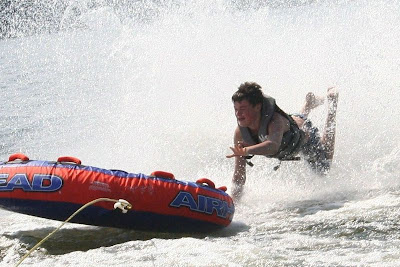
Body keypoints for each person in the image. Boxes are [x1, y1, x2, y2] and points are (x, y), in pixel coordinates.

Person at [226, 82, 339, 200]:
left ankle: (332, 105)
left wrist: (245, 150)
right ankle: (308, 104)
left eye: (243, 109)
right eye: (236, 109)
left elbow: (273, 146)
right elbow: (239, 175)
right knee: (296, 120)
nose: (238, 114)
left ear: (258, 106)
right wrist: (233, 202)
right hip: (293, 122)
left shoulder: (275, 121)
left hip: (305, 133)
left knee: (323, 169)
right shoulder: (240, 133)